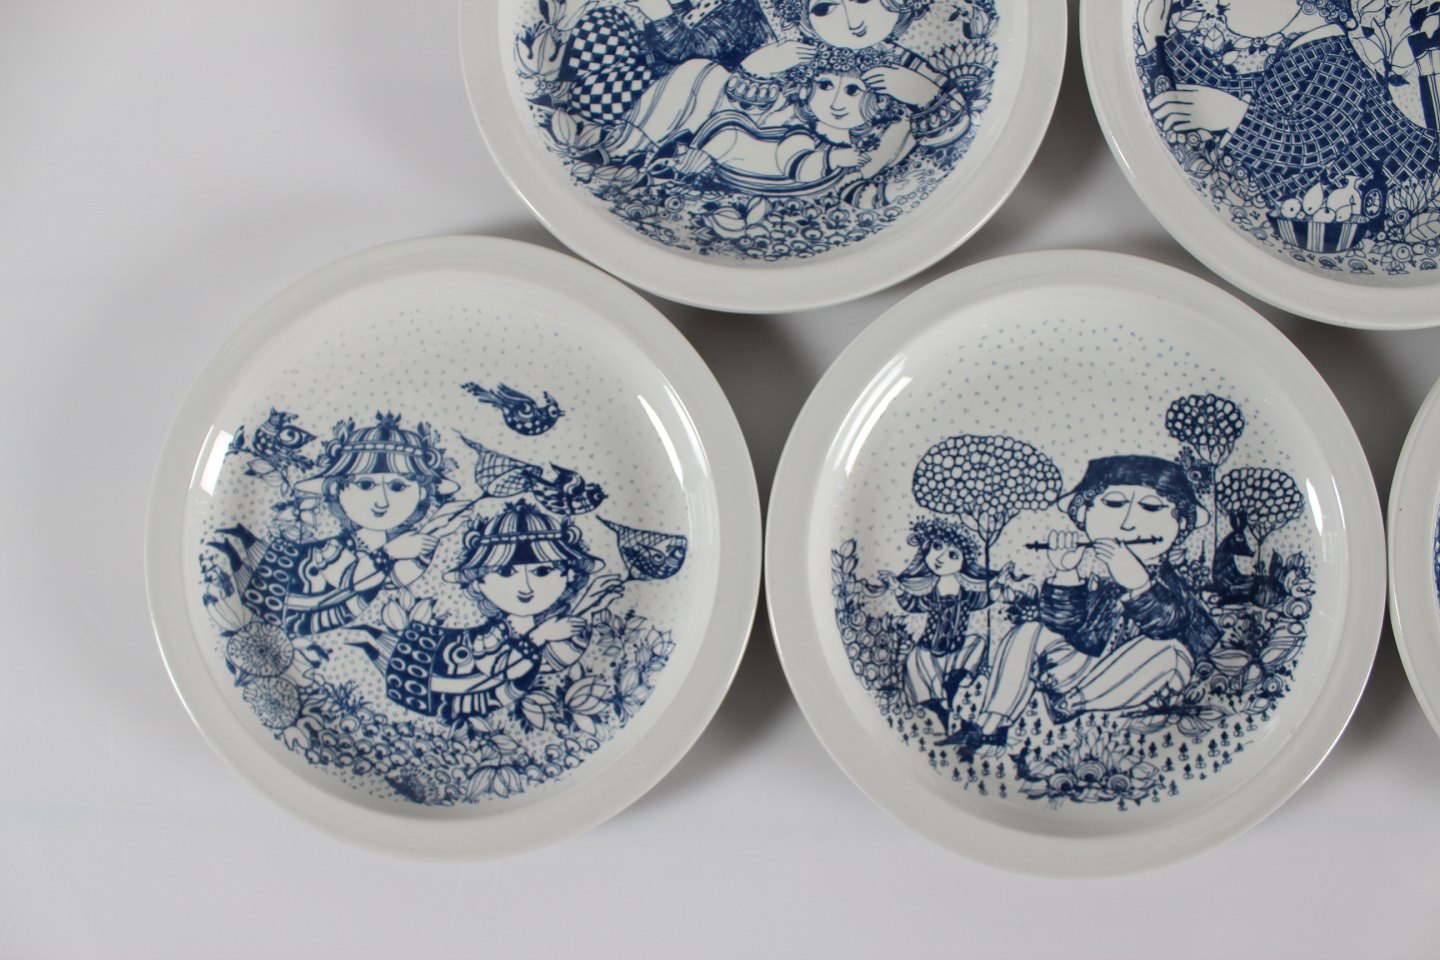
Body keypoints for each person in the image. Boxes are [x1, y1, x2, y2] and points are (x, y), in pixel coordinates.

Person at [942, 456, 1221, 754]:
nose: (1128, 523)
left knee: (1169, 651)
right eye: (1113, 504)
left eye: (1151, 508)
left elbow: (1171, 627)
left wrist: (1139, 584)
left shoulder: (1169, 580)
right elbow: (1064, 626)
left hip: (1143, 674)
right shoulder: (1101, 579)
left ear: (1181, 523)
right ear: (1085, 512)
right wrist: (1066, 573)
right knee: (1030, 630)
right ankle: (991, 726)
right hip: (1090, 666)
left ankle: (1073, 703)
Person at [1146, 0, 1439, 211]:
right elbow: (1228, 88)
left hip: (1386, 191)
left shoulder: (1338, 61)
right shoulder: (1301, 53)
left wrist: (1234, 116)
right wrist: (1158, 39)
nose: (1221, 3)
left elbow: (1309, 143)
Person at [370, 500, 624, 721]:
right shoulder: (489, 638)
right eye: (505, 572)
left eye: (542, 571)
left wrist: (588, 605)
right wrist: (540, 636)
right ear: (479, 581)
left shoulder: (558, 630)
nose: (525, 587)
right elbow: (502, 673)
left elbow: (556, 658)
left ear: (569, 575)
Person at [213, 412, 459, 638]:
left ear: (423, 493)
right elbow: (351, 580)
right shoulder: (336, 549)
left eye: (397, 486)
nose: (382, 501)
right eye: (365, 485)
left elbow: (396, 578)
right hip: (288, 611)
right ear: (335, 489)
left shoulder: (382, 543)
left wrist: (433, 535)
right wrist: (390, 552)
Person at [609, 46, 912, 196]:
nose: (836, 103)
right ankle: (629, 153)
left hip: (762, 175)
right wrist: (834, 158)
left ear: (876, 103)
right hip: (744, 160)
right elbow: (797, 164)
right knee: (706, 86)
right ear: (807, 89)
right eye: (824, 86)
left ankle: (648, 165)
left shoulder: (855, 140)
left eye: (853, 91)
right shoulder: (801, 135)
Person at [881, 519, 1015, 725]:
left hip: (957, 650)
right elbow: (913, 604)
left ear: (964, 563)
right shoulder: (931, 593)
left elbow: (985, 599)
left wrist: (999, 584)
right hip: (929, 649)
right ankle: (938, 706)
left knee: (978, 641)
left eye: (953, 555)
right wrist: (897, 588)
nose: (940, 558)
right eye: (937, 547)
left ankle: (956, 683)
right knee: (917, 662)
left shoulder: (966, 595)